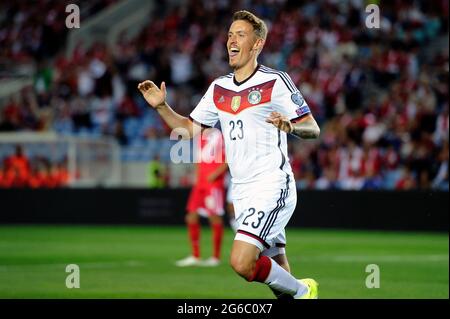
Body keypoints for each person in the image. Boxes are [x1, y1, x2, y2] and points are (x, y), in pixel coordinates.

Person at [138, 10, 320, 299]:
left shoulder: (275, 82)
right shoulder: (218, 88)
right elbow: (187, 130)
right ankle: (296, 293)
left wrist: (289, 126)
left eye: (241, 35)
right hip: (242, 190)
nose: (231, 40)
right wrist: (162, 107)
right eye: (229, 35)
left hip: (272, 183)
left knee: (241, 262)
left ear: (257, 44)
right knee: (277, 271)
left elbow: (312, 127)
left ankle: (304, 291)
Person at [175, 128, 228, 267]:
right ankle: (195, 255)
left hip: (213, 183)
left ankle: (216, 257)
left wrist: (216, 174)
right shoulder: (199, 136)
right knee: (191, 216)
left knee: (214, 217)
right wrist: (197, 178)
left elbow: (229, 158)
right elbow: (199, 159)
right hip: (200, 184)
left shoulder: (220, 135)